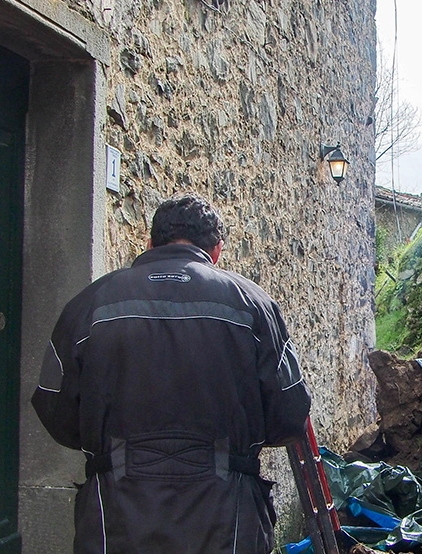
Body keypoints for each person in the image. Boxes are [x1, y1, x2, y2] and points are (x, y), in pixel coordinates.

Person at [32, 195, 312, 554]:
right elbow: (290, 415)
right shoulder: (254, 306)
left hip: (114, 516)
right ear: (217, 251)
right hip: (227, 519)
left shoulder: (90, 303)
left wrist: (114, 452)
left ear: (149, 244)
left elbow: (53, 407)